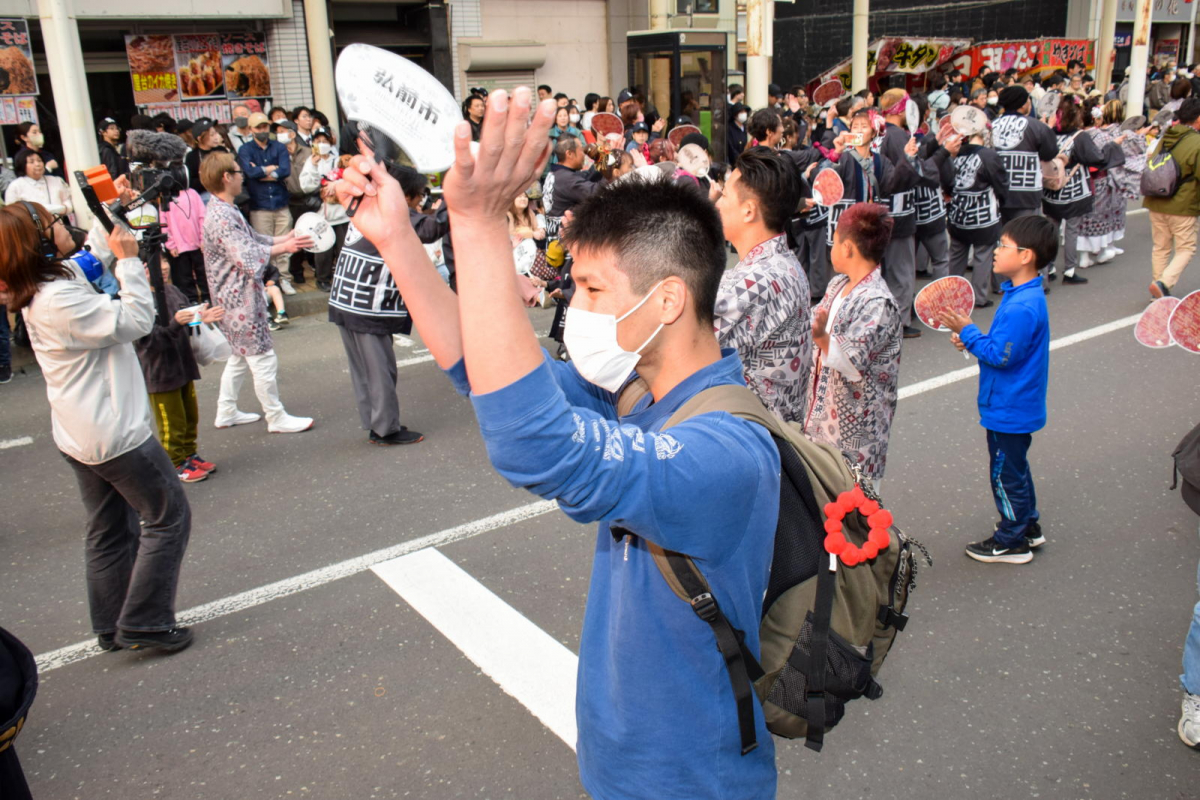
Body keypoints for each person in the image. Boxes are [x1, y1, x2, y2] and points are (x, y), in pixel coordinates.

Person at [337, 86, 780, 800]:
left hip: (691, 778)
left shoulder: (726, 452)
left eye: (591, 288)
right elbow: (479, 368)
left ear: (666, 300)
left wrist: (476, 222)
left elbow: (533, 444)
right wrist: (397, 239)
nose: (574, 308)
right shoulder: (638, 394)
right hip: (625, 759)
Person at [0, 201, 194, 652]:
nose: (64, 225)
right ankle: (145, 621)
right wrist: (129, 262)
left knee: (108, 529)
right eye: (54, 223)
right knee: (168, 518)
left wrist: (113, 213)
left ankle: (111, 624)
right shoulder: (57, 299)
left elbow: (92, 253)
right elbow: (136, 321)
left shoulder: (48, 282)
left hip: (79, 431)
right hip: (113, 435)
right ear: (39, 241)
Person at [937, 215, 1055, 565]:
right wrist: (973, 340)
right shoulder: (1023, 294)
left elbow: (1001, 357)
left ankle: (1011, 539)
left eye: (1003, 246)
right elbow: (1004, 347)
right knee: (1016, 468)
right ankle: (1028, 525)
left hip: (1009, 406)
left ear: (1025, 256)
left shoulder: (1021, 306)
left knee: (1004, 473)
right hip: (1015, 403)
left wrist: (971, 332)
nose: (996, 251)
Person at [199, 152, 314, 433]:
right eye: (238, 172)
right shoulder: (222, 215)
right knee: (261, 357)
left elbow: (252, 238)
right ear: (227, 177)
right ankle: (275, 417)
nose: (242, 177)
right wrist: (284, 247)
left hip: (232, 296)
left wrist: (283, 239)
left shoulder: (223, 208)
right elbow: (247, 255)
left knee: (239, 357)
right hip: (238, 299)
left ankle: (226, 411)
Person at [327, 164, 438, 447]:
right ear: (407, 195)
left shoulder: (367, 203)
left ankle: (374, 421)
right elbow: (430, 229)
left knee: (362, 370)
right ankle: (385, 429)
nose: (420, 202)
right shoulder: (394, 210)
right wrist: (452, 199)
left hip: (346, 298)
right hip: (367, 305)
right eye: (419, 196)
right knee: (380, 371)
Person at [804, 203, 902, 490]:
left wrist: (821, 337)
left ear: (847, 248)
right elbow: (813, 323)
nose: (830, 247)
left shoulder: (877, 302)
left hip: (858, 431)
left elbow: (852, 362)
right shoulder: (838, 284)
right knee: (826, 512)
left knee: (858, 516)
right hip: (823, 422)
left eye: (834, 239)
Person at [713, 147, 812, 422]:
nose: (718, 203)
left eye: (724, 195)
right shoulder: (785, 263)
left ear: (748, 210)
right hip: (778, 432)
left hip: (749, 433)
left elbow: (677, 346)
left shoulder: (751, 282)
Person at [133, 259, 223, 482]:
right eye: (150, 264)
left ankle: (189, 455)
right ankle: (175, 463)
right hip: (160, 371)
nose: (162, 266)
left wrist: (202, 318)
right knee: (170, 423)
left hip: (183, 364)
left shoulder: (171, 290)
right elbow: (146, 342)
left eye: (163, 260)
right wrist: (175, 323)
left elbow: (188, 321)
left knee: (189, 417)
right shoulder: (139, 300)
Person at [1042, 100, 1126, 285]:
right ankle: (1070, 271)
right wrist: (1113, 145)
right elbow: (1097, 159)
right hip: (1073, 190)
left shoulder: (1049, 134)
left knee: (1052, 230)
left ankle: (1049, 267)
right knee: (1071, 230)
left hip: (1050, 189)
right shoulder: (1080, 137)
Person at [875, 89, 931, 337]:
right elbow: (907, 173)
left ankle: (882, 319)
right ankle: (899, 322)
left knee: (883, 270)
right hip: (898, 210)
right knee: (901, 271)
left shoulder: (876, 132)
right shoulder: (898, 136)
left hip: (877, 208)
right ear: (901, 108)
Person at [992, 86, 1059, 285]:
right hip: (1026, 190)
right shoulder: (1036, 126)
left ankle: (1000, 282)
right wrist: (1048, 128)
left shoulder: (992, 125)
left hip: (997, 191)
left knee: (1002, 239)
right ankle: (1035, 281)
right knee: (1031, 238)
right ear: (1024, 104)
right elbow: (1049, 153)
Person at [947, 128, 1010, 306]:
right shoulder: (988, 156)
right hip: (983, 215)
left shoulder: (954, 153)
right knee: (983, 255)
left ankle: (953, 294)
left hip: (958, 212)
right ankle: (978, 297)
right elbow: (1001, 183)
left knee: (957, 254)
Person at [1145, 96, 1200, 298]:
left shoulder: (1167, 136)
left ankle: (1158, 293)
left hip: (1156, 200)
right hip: (1182, 205)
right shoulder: (1196, 142)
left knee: (1161, 247)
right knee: (1186, 248)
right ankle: (1163, 283)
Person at [1077, 99, 1143, 267]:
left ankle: (1083, 256)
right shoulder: (1103, 136)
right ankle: (1104, 249)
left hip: (1079, 180)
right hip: (1100, 180)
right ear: (1096, 120)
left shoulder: (1075, 136)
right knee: (1101, 216)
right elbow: (1111, 158)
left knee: (1082, 217)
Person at [239, 111, 295, 294]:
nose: (262, 130)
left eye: (264, 126)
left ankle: (285, 279)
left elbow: (285, 170)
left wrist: (261, 172)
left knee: (285, 244)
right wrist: (271, 169)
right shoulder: (245, 149)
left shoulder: (279, 147)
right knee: (265, 247)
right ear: (251, 129)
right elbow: (249, 173)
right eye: (258, 127)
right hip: (259, 204)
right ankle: (271, 282)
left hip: (280, 201)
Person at [299, 126, 349, 291]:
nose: (322, 144)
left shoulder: (339, 159)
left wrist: (335, 185)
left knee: (344, 249)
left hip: (341, 213)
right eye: (318, 141)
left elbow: (348, 179)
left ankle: (344, 279)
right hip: (321, 214)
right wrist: (313, 167)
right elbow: (305, 186)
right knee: (323, 249)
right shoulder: (310, 161)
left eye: (325, 141)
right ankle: (323, 279)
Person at [276, 118, 315, 286]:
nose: (280, 135)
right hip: (289, 200)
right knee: (294, 235)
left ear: (292, 133)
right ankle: (296, 271)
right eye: (277, 133)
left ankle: (317, 269)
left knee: (312, 233)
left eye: (283, 131)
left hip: (309, 199)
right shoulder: (277, 153)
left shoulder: (308, 152)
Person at [161, 179, 209, 304]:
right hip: (179, 246)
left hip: (198, 244)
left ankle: (207, 296)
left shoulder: (192, 193)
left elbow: (202, 216)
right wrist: (171, 245)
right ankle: (190, 299)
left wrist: (203, 238)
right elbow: (163, 223)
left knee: (203, 272)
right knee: (184, 275)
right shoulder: (165, 197)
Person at [4, 149, 71, 216]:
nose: (37, 164)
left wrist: (63, 209)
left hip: (58, 223)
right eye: (31, 162)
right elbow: (11, 212)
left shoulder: (56, 180)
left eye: (39, 161)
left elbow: (68, 200)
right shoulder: (15, 186)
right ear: (23, 165)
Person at [184, 118, 227, 199]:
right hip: (204, 194)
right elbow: (191, 183)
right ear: (200, 138)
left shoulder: (221, 150)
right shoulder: (192, 156)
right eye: (212, 135)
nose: (216, 137)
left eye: (216, 133)